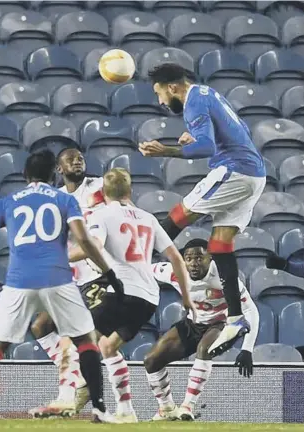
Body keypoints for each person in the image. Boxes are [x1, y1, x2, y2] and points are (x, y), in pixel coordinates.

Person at [0, 149, 125, 424]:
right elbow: (83, 239)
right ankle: (99, 408)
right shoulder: (64, 198)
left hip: (18, 281)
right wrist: (109, 272)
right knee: (86, 341)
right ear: (52, 174)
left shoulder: (9, 200)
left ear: (25, 175)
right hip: (57, 278)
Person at [138, 63, 266, 357]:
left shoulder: (192, 101)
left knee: (175, 220)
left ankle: (128, 267)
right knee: (220, 247)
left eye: (159, 93)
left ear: (172, 87)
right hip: (254, 175)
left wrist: (166, 150)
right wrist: (192, 138)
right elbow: (238, 129)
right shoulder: (209, 93)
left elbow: (206, 148)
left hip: (234, 171)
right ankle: (234, 319)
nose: (159, 101)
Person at [62, 168, 195, 422]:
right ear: (130, 191)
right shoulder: (148, 218)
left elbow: (95, 246)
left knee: (80, 336)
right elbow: (176, 258)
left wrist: (61, 256)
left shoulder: (102, 214)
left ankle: (83, 387)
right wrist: (186, 298)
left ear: (103, 193)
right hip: (148, 297)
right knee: (108, 346)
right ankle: (126, 412)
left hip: (123, 292)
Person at [28, 148, 108, 419]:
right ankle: (80, 382)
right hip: (72, 277)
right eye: (71, 158)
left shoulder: (98, 186)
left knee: (72, 338)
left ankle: (68, 395)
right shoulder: (55, 200)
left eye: (81, 158)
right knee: (40, 326)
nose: (78, 160)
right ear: (59, 170)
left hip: (99, 274)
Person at [144, 239, 260, 421]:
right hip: (193, 323)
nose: (193, 263)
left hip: (220, 324)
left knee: (203, 349)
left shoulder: (223, 277)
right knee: (151, 360)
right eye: (188, 258)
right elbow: (142, 269)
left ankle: (187, 406)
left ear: (210, 259)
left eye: (199, 257)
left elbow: (250, 310)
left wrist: (247, 349)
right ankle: (166, 409)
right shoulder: (173, 271)